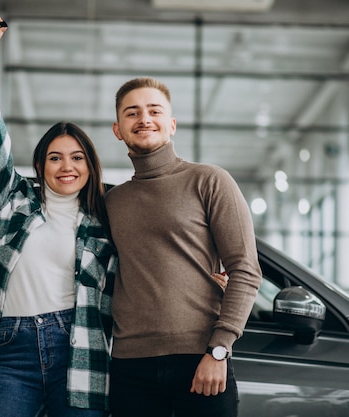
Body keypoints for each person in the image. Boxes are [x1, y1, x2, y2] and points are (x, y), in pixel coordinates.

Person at [0, 17, 117, 417]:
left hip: (78, 353)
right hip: (14, 352)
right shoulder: (14, 201)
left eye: (77, 157)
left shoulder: (105, 220)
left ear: (90, 166)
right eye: (56, 157)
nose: (67, 166)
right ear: (40, 164)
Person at [105, 76, 263, 417]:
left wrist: (219, 350)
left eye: (154, 110)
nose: (144, 118)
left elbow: (246, 270)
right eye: (132, 113)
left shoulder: (209, 180)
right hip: (129, 366)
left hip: (200, 360)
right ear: (118, 129)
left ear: (171, 124)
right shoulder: (112, 201)